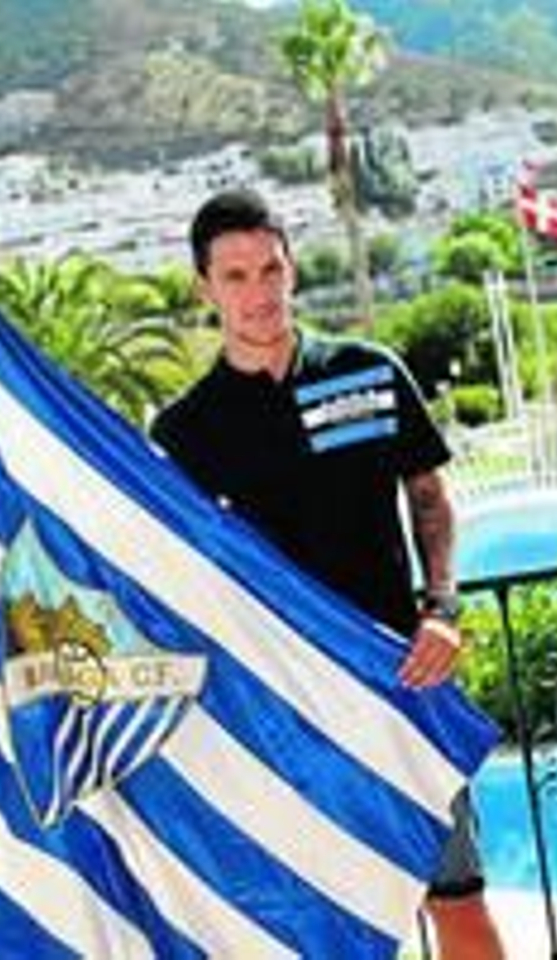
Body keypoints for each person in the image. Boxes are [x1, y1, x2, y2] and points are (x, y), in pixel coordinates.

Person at [150, 189, 506, 960]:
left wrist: (441, 607)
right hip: (283, 711)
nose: (260, 293)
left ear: (291, 269)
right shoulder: (183, 432)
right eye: (237, 276)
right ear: (204, 288)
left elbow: (430, 497)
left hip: (400, 683)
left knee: (460, 905)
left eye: (271, 269)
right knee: (321, 927)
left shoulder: (369, 373)